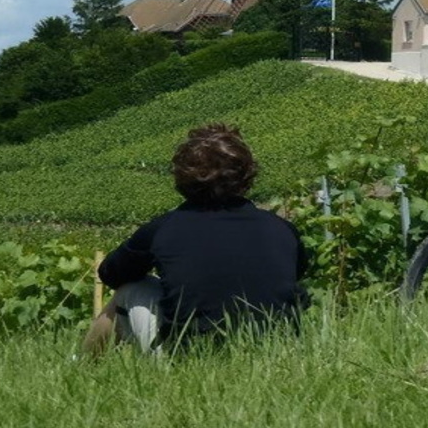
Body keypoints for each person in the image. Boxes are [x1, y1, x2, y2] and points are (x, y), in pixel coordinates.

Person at [82, 123, 309, 355]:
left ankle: (80, 366)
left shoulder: (164, 228)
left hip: (191, 355)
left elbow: (111, 274)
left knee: (131, 290)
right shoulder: (281, 228)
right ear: (247, 175)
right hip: (276, 353)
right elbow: (298, 273)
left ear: (181, 177)